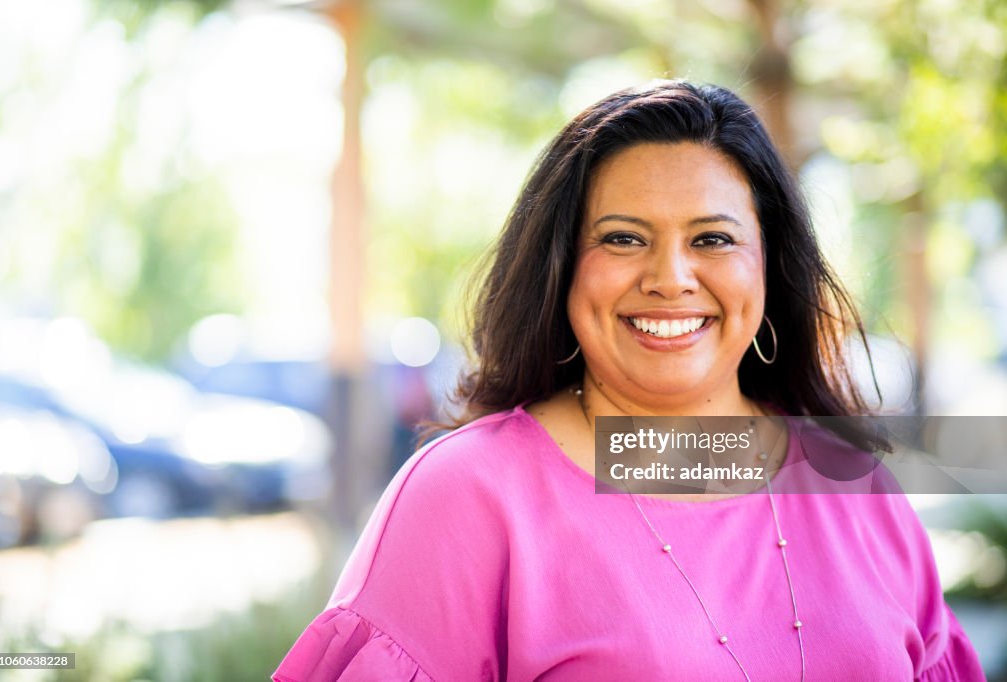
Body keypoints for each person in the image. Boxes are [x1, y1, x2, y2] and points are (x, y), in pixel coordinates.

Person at [273, 81, 985, 681]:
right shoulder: (470, 495)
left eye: (713, 239)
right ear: (562, 268)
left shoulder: (850, 483)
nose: (670, 278)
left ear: (770, 267)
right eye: (623, 238)